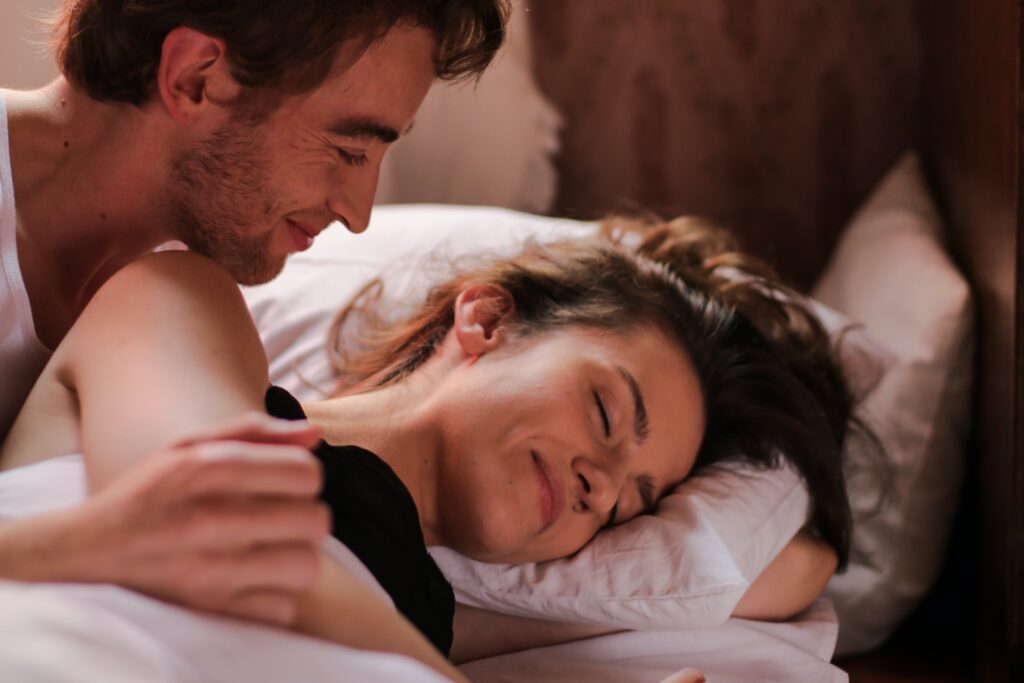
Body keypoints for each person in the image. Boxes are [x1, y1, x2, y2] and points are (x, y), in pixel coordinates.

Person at [0, 216, 854, 680]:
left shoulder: (442, 621)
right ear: (485, 319)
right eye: (603, 408)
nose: (602, 490)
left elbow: (792, 568)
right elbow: (206, 529)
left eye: (633, 501)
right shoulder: (182, 299)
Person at [0, 0, 508, 624]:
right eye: (349, 149)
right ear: (196, 78)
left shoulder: (176, 297)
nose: (359, 213)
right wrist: (85, 544)